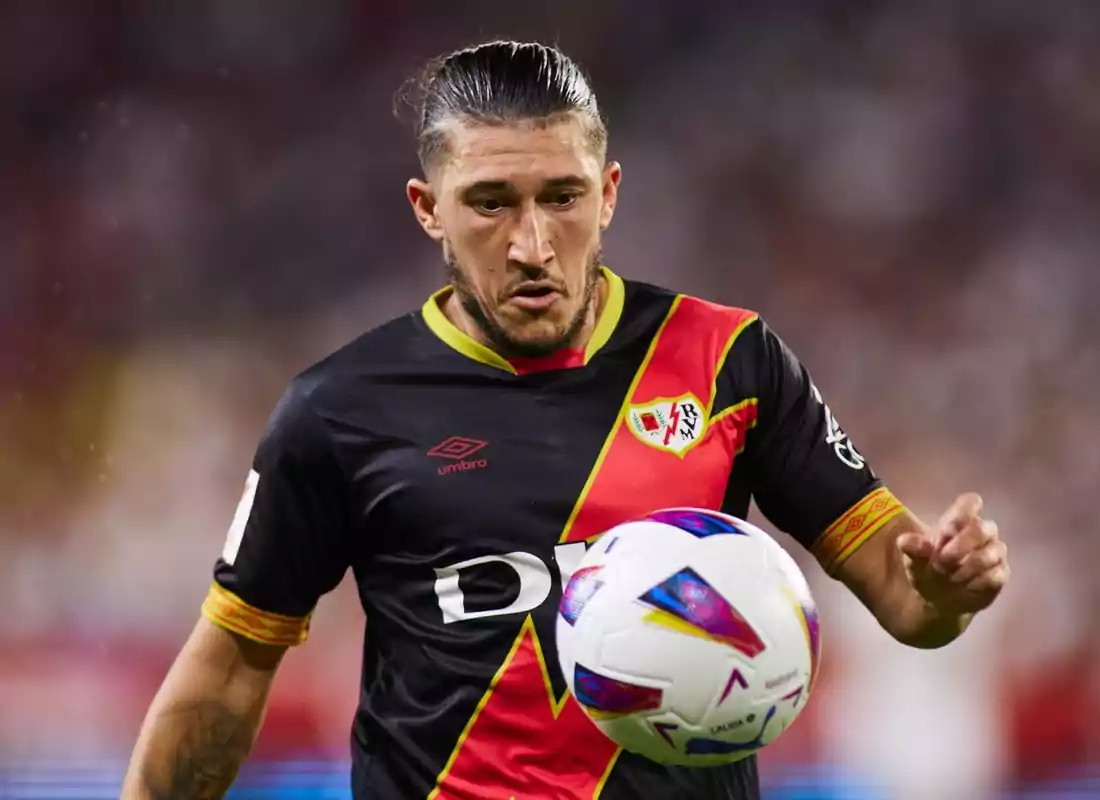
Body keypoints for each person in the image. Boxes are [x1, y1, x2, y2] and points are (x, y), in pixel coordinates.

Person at [120, 40, 1011, 800]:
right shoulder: (340, 410)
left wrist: (943, 592)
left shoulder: (728, 359)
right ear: (428, 209)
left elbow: (906, 599)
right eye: (490, 201)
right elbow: (232, 669)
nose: (532, 244)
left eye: (562, 196)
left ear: (610, 193)